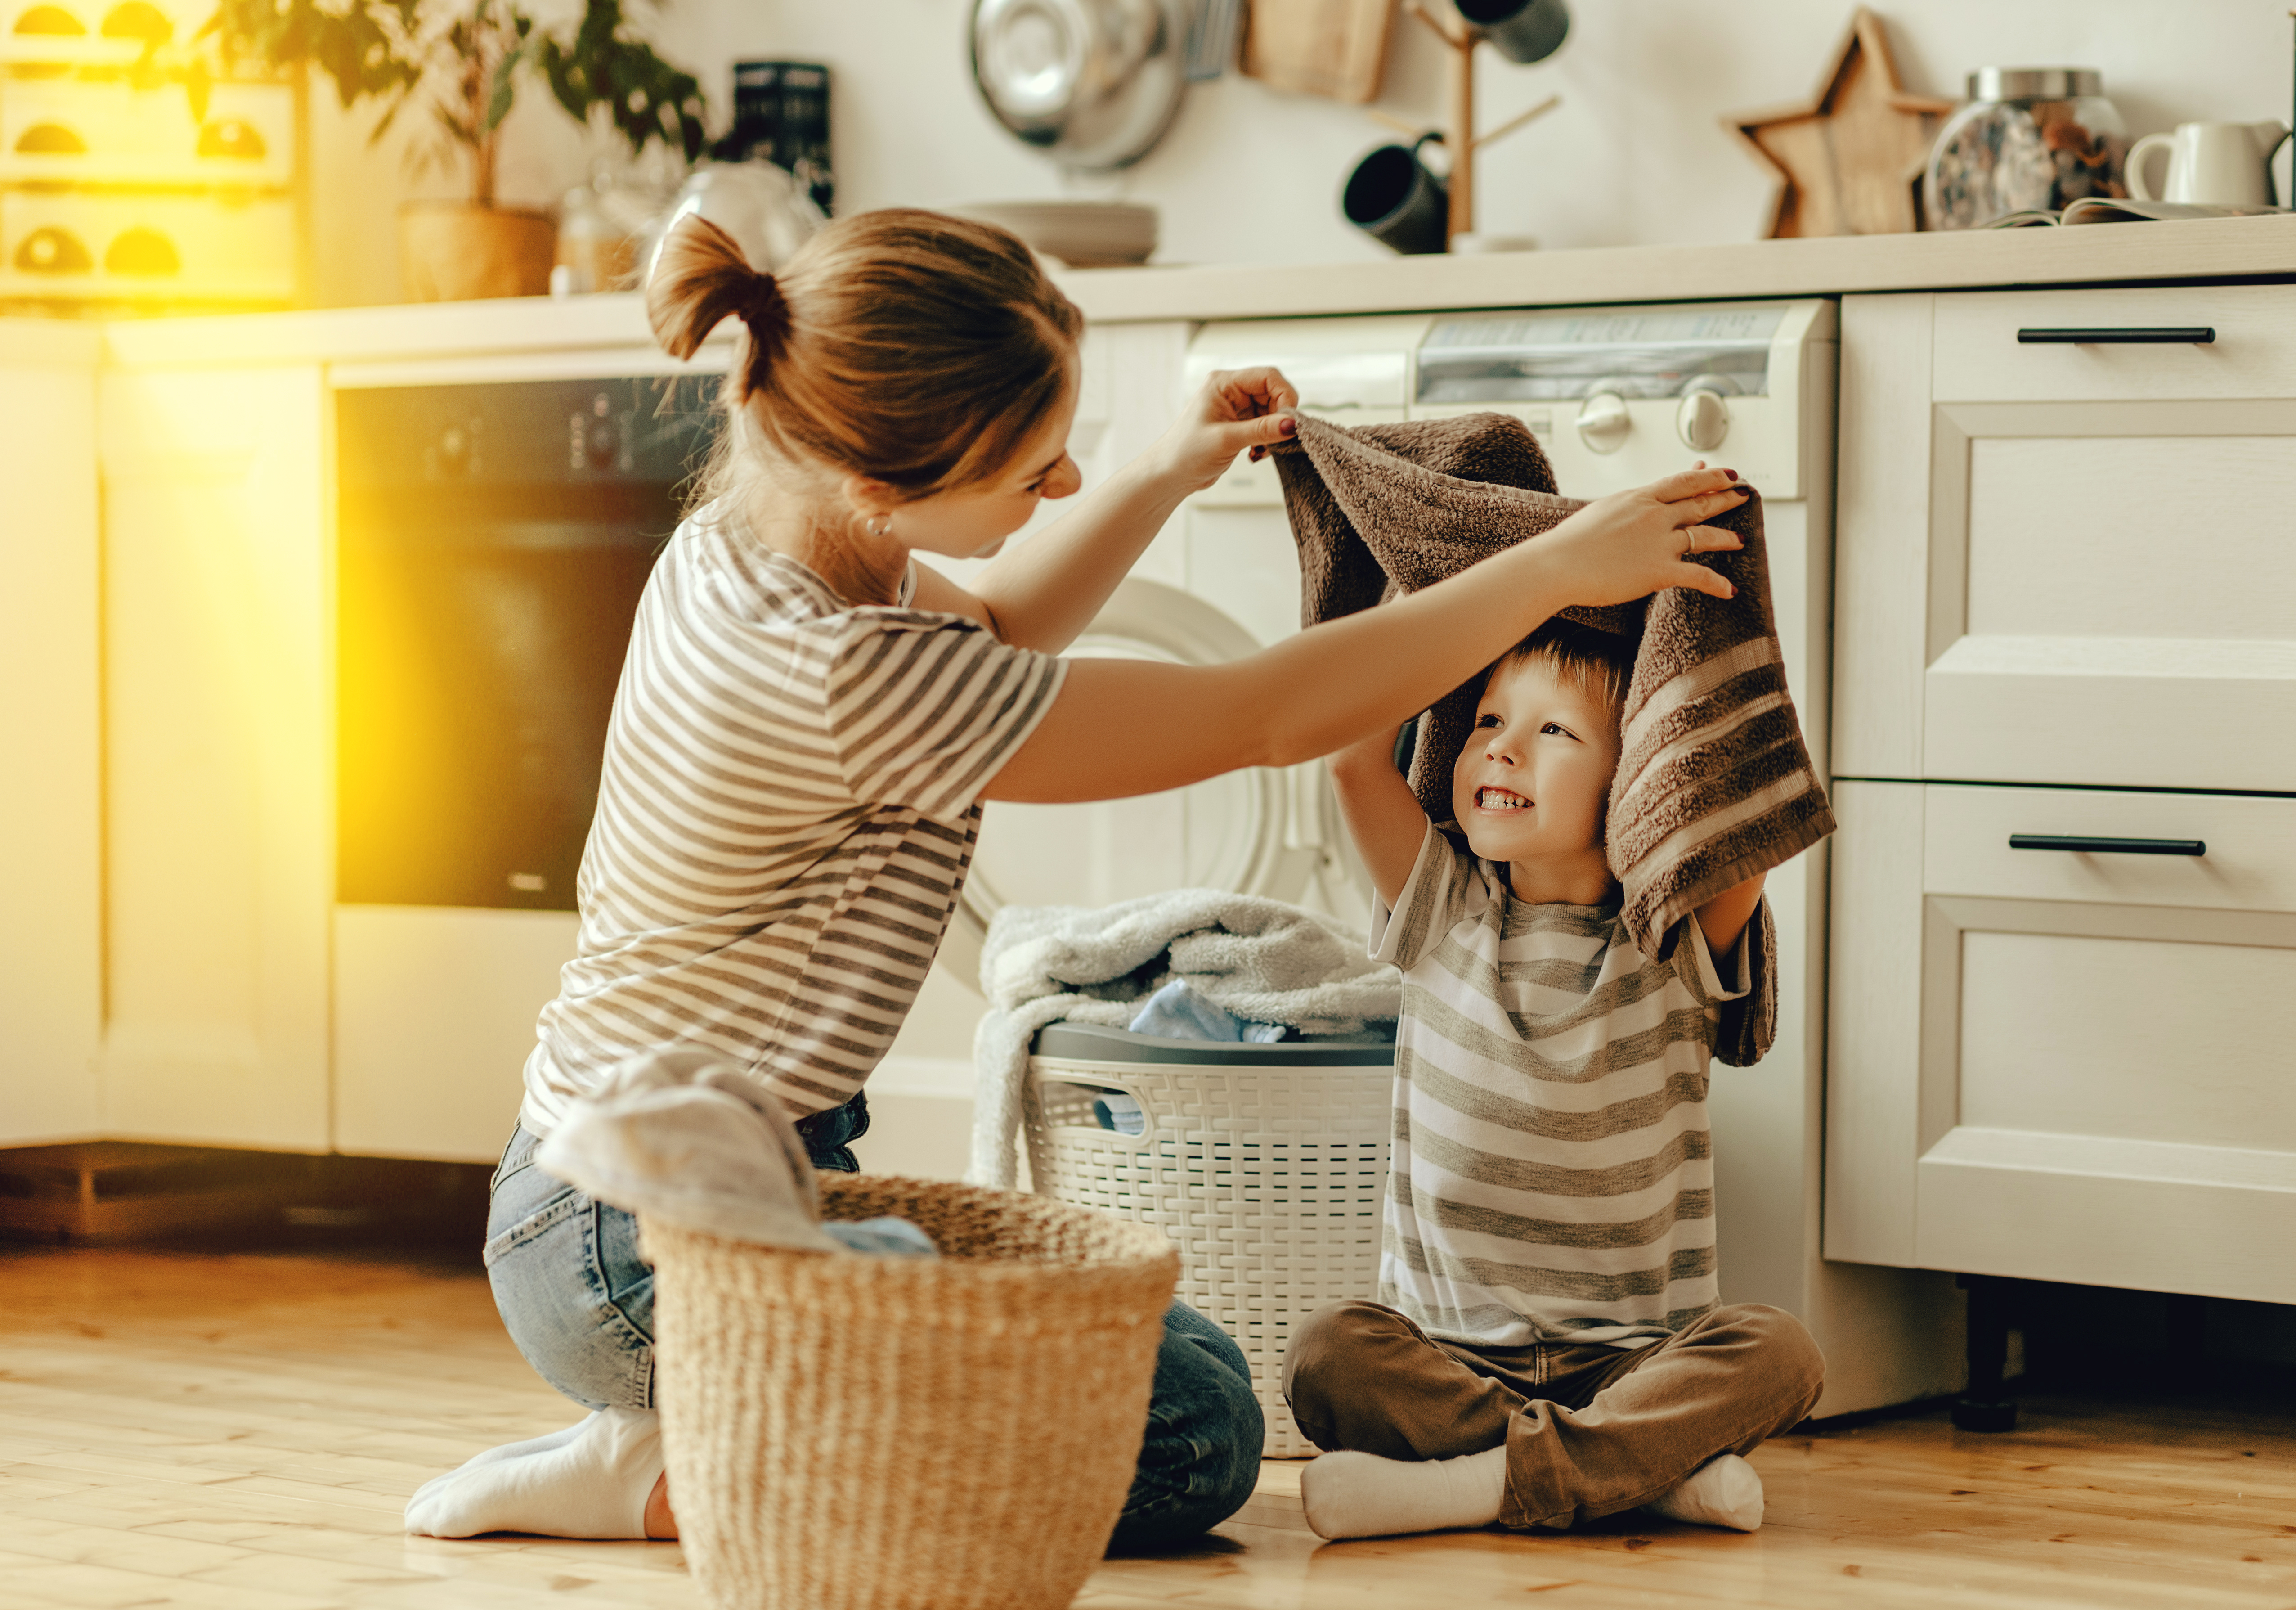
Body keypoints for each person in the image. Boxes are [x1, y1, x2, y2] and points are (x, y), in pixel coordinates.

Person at [402, 206, 1750, 1547]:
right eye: (1032, 469)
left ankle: (718, 1420)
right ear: (882, 482)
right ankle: (667, 1471)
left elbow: (1000, 622)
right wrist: (1551, 569)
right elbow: (1260, 719)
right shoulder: (842, 677)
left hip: (689, 1184)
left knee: (1196, 1369)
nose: (1056, 489)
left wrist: (1168, 469)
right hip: (629, 1246)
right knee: (1190, 1446)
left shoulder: (759, 549)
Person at [1283, 619, 1825, 1541]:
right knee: (1325, 1356)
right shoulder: (1440, 909)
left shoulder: (1668, 939)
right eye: (1490, 718)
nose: (1499, 744)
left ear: (1641, 783)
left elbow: (1746, 800)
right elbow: (1351, 763)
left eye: (1553, 732)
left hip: (1630, 1360)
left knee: (1783, 1354)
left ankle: (1472, 1486)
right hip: (1448, 1356)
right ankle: (1635, 1471)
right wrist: (1447, 596)